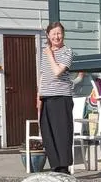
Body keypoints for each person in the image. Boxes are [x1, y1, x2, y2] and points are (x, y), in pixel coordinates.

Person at [35, 21, 83, 173]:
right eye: (53, 33)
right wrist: (38, 96)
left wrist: (50, 54)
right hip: (47, 97)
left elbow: (57, 72)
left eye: (59, 33)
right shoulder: (45, 53)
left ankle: (64, 167)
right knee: (48, 132)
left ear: (63, 35)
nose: (57, 36)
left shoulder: (67, 52)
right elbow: (42, 75)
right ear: (48, 35)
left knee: (62, 132)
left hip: (61, 96)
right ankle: (55, 165)